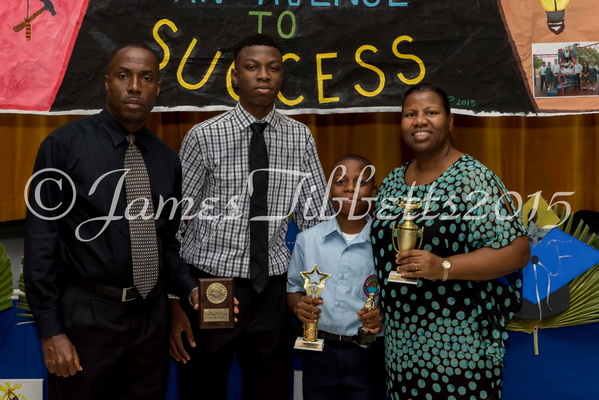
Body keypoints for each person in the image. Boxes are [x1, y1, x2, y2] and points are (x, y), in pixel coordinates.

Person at [24, 44, 200, 399]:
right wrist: (51, 330)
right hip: (86, 317)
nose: (134, 86)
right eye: (124, 76)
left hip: (149, 320)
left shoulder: (167, 161)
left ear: (157, 89)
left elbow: (166, 244)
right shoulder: (63, 147)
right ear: (107, 82)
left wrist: (190, 288)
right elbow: (40, 242)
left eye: (146, 78)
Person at [170, 34, 330, 400]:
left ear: (282, 76)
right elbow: (177, 222)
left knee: (270, 388)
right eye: (252, 67)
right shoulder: (204, 136)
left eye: (273, 68)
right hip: (212, 283)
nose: (263, 75)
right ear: (235, 76)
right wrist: (174, 298)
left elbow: (316, 222)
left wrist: (313, 288)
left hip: (273, 287)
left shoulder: (300, 137)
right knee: (203, 386)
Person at [370, 83, 530, 399]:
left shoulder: (472, 179)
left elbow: (518, 251)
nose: (420, 120)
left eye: (431, 112)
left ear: (450, 121)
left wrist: (443, 266)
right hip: (402, 350)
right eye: (410, 114)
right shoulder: (391, 183)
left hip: (461, 349)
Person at [287, 154, 385, 400]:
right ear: (329, 191)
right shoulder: (307, 240)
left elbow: (398, 293)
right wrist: (298, 306)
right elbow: (293, 288)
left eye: (361, 182)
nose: (350, 188)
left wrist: (382, 313)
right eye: (340, 181)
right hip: (318, 352)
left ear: (374, 191)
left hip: (368, 352)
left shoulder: (385, 243)